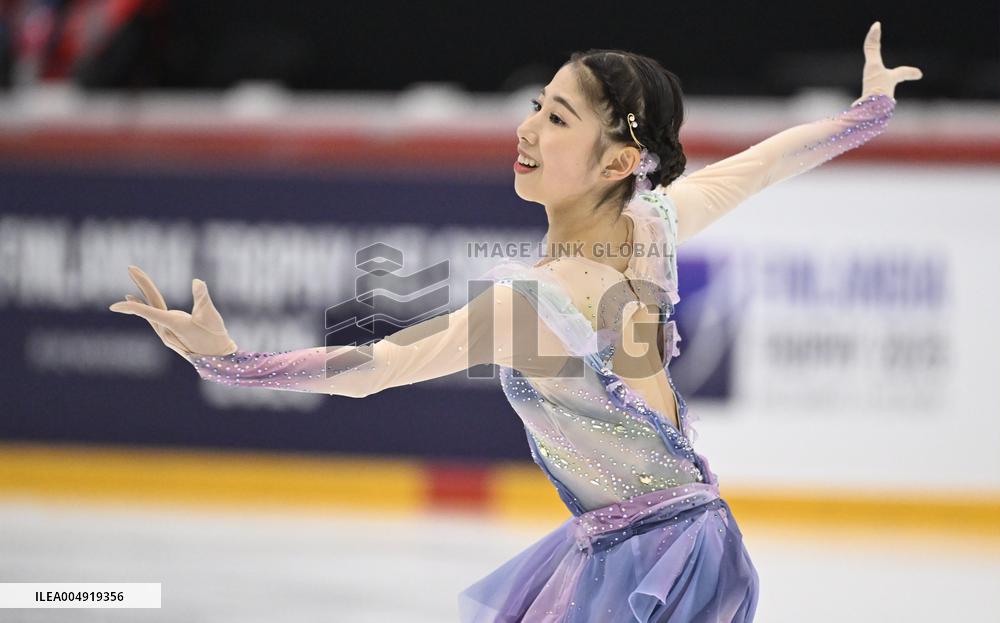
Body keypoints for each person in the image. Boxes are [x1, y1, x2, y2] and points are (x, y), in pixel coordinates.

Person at [109, 21, 921, 623]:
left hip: (650, 562)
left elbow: (378, 368)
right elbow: (767, 162)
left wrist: (232, 363)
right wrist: (868, 113)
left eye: (559, 118)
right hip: (671, 542)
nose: (527, 127)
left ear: (614, 162)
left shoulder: (535, 304)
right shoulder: (655, 232)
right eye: (539, 104)